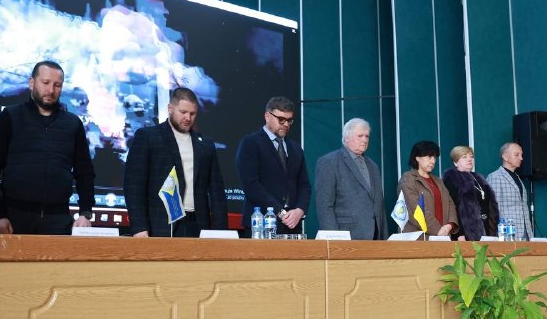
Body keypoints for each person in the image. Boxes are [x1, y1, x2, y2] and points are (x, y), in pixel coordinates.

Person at [0, 60, 95, 235]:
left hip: (58, 219)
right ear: (32, 83)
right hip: (14, 217)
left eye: (57, 85)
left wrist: (85, 212)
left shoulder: (73, 123)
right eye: (45, 83)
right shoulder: (10, 116)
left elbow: (84, 172)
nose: (51, 90)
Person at [124, 86, 228, 237]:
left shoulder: (206, 143)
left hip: (198, 224)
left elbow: (217, 190)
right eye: (183, 112)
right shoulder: (148, 137)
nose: (188, 118)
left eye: (192, 113)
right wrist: (139, 227)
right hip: (160, 225)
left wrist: (221, 232)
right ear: (170, 109)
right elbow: (133, 185)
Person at [235, 96, 311, 236]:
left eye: (289, 120)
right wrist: (279, 211)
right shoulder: (251, 143)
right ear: (267, 116)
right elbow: (251, 185)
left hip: (292, 225)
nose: (286, 124)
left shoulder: (296, 148)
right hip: (260, 223)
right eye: (281, 119)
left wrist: (299, 211)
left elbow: (304, 185)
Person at [314, 118, 387, 240]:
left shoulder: (373, 166)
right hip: (346, 237)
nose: (364, 140)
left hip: (375, 238)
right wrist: (334, 239)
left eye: (367, 136)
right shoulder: (329, 162)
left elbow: (379, 205)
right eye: (360, 136)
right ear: (347, 138)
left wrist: (383, 238)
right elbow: (324, 205)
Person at [397, 140, 458, 237]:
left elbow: (450, 204)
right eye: (429, 157)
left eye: (435, 157)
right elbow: (416, 210)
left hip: (443, 236)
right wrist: (438, 231)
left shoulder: (438, 181)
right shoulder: (408, 179)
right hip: (420, 238)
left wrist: (449, 225)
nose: (433, 161)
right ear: (417, 157)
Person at [442, 145, 499, 241]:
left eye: (471, 156)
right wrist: (460, 233)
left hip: (486, 229)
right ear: (455, 162)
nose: (469, 159)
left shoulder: (479, 179)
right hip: (465, 232)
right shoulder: (452, 179)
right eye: (464, 157)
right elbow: (453, 208)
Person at [486, 142, 533, 240]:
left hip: (525, 233)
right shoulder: (495, 177)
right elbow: (493, 209)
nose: (521, 158)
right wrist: (497, 235)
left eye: (521, 155)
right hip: (507, 234)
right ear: (505, 157)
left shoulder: (518, 178)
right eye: (517, 155)